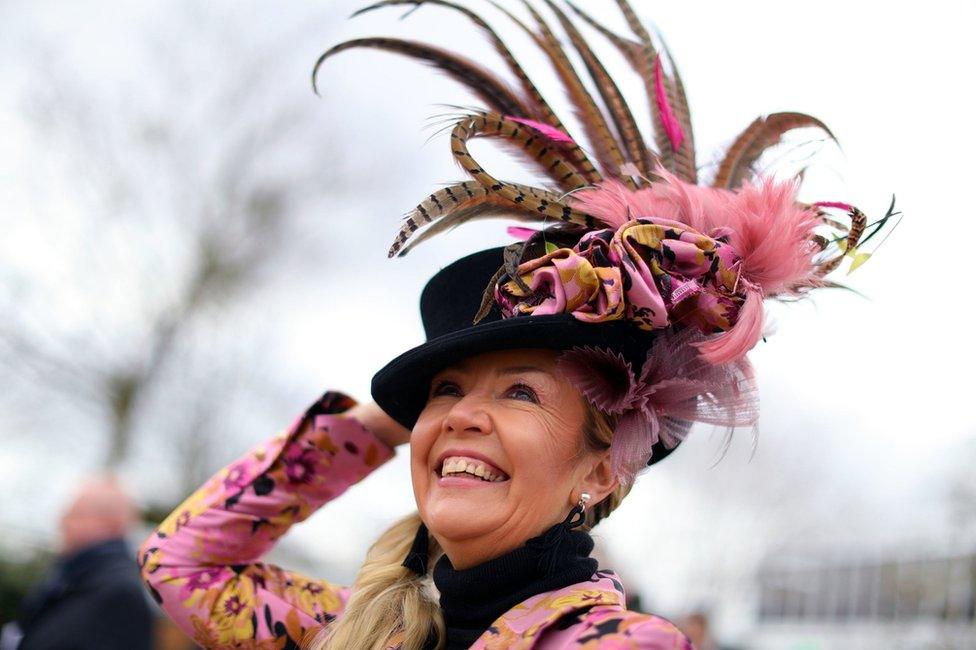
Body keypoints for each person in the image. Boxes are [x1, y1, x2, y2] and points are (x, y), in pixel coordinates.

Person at [139, 1, 893, 648]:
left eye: (522, 394)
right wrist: (387, 421)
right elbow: (181, 566)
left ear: (599, 471)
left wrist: (438, 418)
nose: (464, 413)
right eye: (445, 389)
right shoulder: (360, 630)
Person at [14, 476, 153, 650]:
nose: (63, 522)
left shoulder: (119, 593)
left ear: (111, 523)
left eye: (74, 515)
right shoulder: (76, 578)